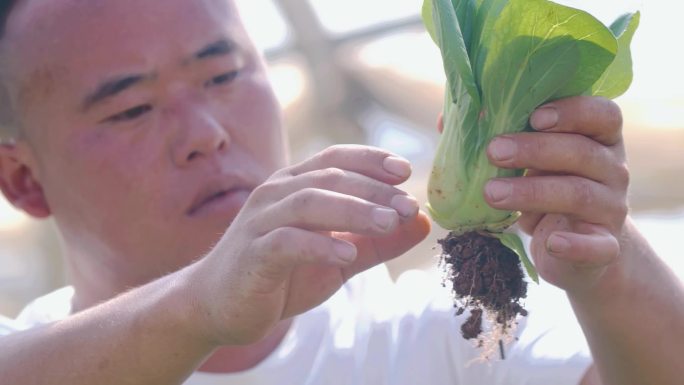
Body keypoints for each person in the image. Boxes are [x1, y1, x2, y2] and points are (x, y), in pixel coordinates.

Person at [0, 0, 681, 384]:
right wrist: (201, 302)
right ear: (24, 179)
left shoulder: (444, 334)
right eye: (130, 109)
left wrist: (611, 264)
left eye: (224, 74)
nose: (204, 132)